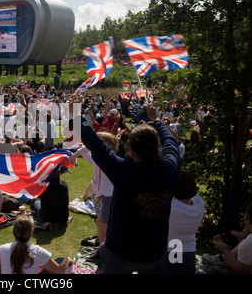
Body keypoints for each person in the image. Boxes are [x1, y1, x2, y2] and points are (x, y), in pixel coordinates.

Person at [75, 102, 181, 274]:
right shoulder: (170, 170)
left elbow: (95, 143)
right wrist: (157, 120)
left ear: (130, 148)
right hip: (154, 254)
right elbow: (171, 143)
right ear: (156, 147)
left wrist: (76, 115)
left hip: (119, 253)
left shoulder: (123, 171)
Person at [71, 132, 118, 245]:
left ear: (105, 143)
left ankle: (103, 251)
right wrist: (76, 154)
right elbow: (88, 155)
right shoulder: (101, 156)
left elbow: (88, 147)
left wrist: (75, 154)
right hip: (105, 195)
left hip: (109, 196)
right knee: (101, 222)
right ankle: (103, 246)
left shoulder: (107, 157)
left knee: (102, 224)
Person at [0, 215, 72, 274]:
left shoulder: (2, 249)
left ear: (14, 232)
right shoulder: (39, 251)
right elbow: (59, 270)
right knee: (59, 261)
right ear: (31, 232)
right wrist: (67, 259)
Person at [166, 169, 205, 274]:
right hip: (189, 253)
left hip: (173, 252)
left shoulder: (171, 208)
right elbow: (192, 193)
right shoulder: (199, 204)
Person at [203, 202, 252, 274]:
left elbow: (241, 270)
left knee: (214, 271)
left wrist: (225, 249)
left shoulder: (249, 242)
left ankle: (221, 260)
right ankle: (222, 260)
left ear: (248, 219)